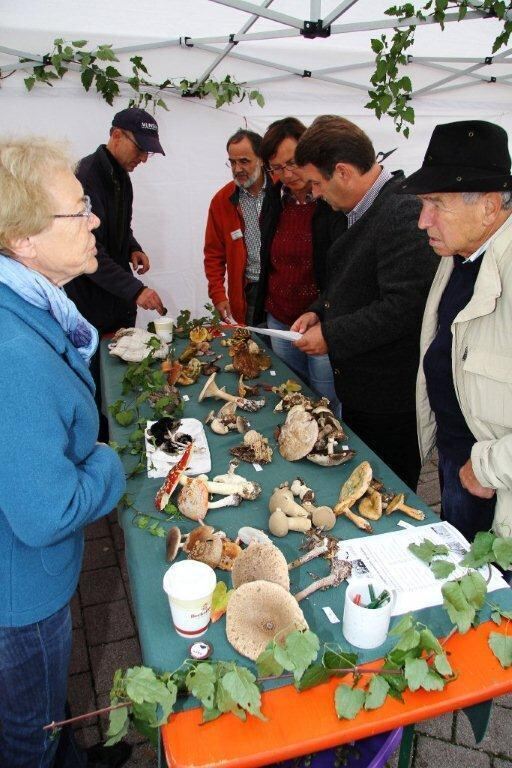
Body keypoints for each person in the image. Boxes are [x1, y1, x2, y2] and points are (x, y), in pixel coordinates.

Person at [0, 138, 128, 767]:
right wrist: (111, 457)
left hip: (23, 579)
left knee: (48, 711)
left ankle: (70, 756)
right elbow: (46, 512)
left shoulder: (30, 304)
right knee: (28, 732)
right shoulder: (9, 349)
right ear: (24, 239)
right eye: (79, 210)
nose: (95, 220)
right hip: (17, 595)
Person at [292, 115, 437, 490]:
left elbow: (403, 307)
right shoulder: (356, 209)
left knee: (387, 492)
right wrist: (317, 310)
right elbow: (351, 282)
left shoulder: (402, 211)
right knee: (361, 484)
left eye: (317, 184)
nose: (316, 194)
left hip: (391, 400)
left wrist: (332, 335)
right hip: (361, 389)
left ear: (342, 171)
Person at [399, 120, 512, 541]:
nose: (422, 221)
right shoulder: (460, 254)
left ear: (488, 206)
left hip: (495, 476)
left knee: (493, 594)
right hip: (458, 457)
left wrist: (487, 467)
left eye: (436, 204)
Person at [65, 107, 166, 439]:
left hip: (116, 304)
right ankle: (101, 446)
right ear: (116, 135)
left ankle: (122, 437)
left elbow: (118, 228)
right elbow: (91, 250)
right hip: (90, 307)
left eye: (148, 151)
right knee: (96, 388)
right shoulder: (85, 177)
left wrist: (133, 245)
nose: (144, 159)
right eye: (140, 149)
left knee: (123, 380)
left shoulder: (122, 177)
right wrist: (136, 290)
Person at [253, 117, 341, 413]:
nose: (287, 174)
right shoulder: (274, 198)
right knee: (292, 395)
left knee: (325, 402)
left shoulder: (330, 202)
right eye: (276, 168)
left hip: (320, 321)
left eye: (292, 163)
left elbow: (340, 270)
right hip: (280, 317)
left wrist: (320, 310)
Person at [203, 128, 278, 325]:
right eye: (232, 162)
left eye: (244, 161)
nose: (237, 169)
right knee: (253, 349)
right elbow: (213, 255)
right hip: (249, 292)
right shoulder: (221, 201)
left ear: (262, 159)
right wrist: (218, 295)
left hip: (283, 289)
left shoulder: (282, 191)